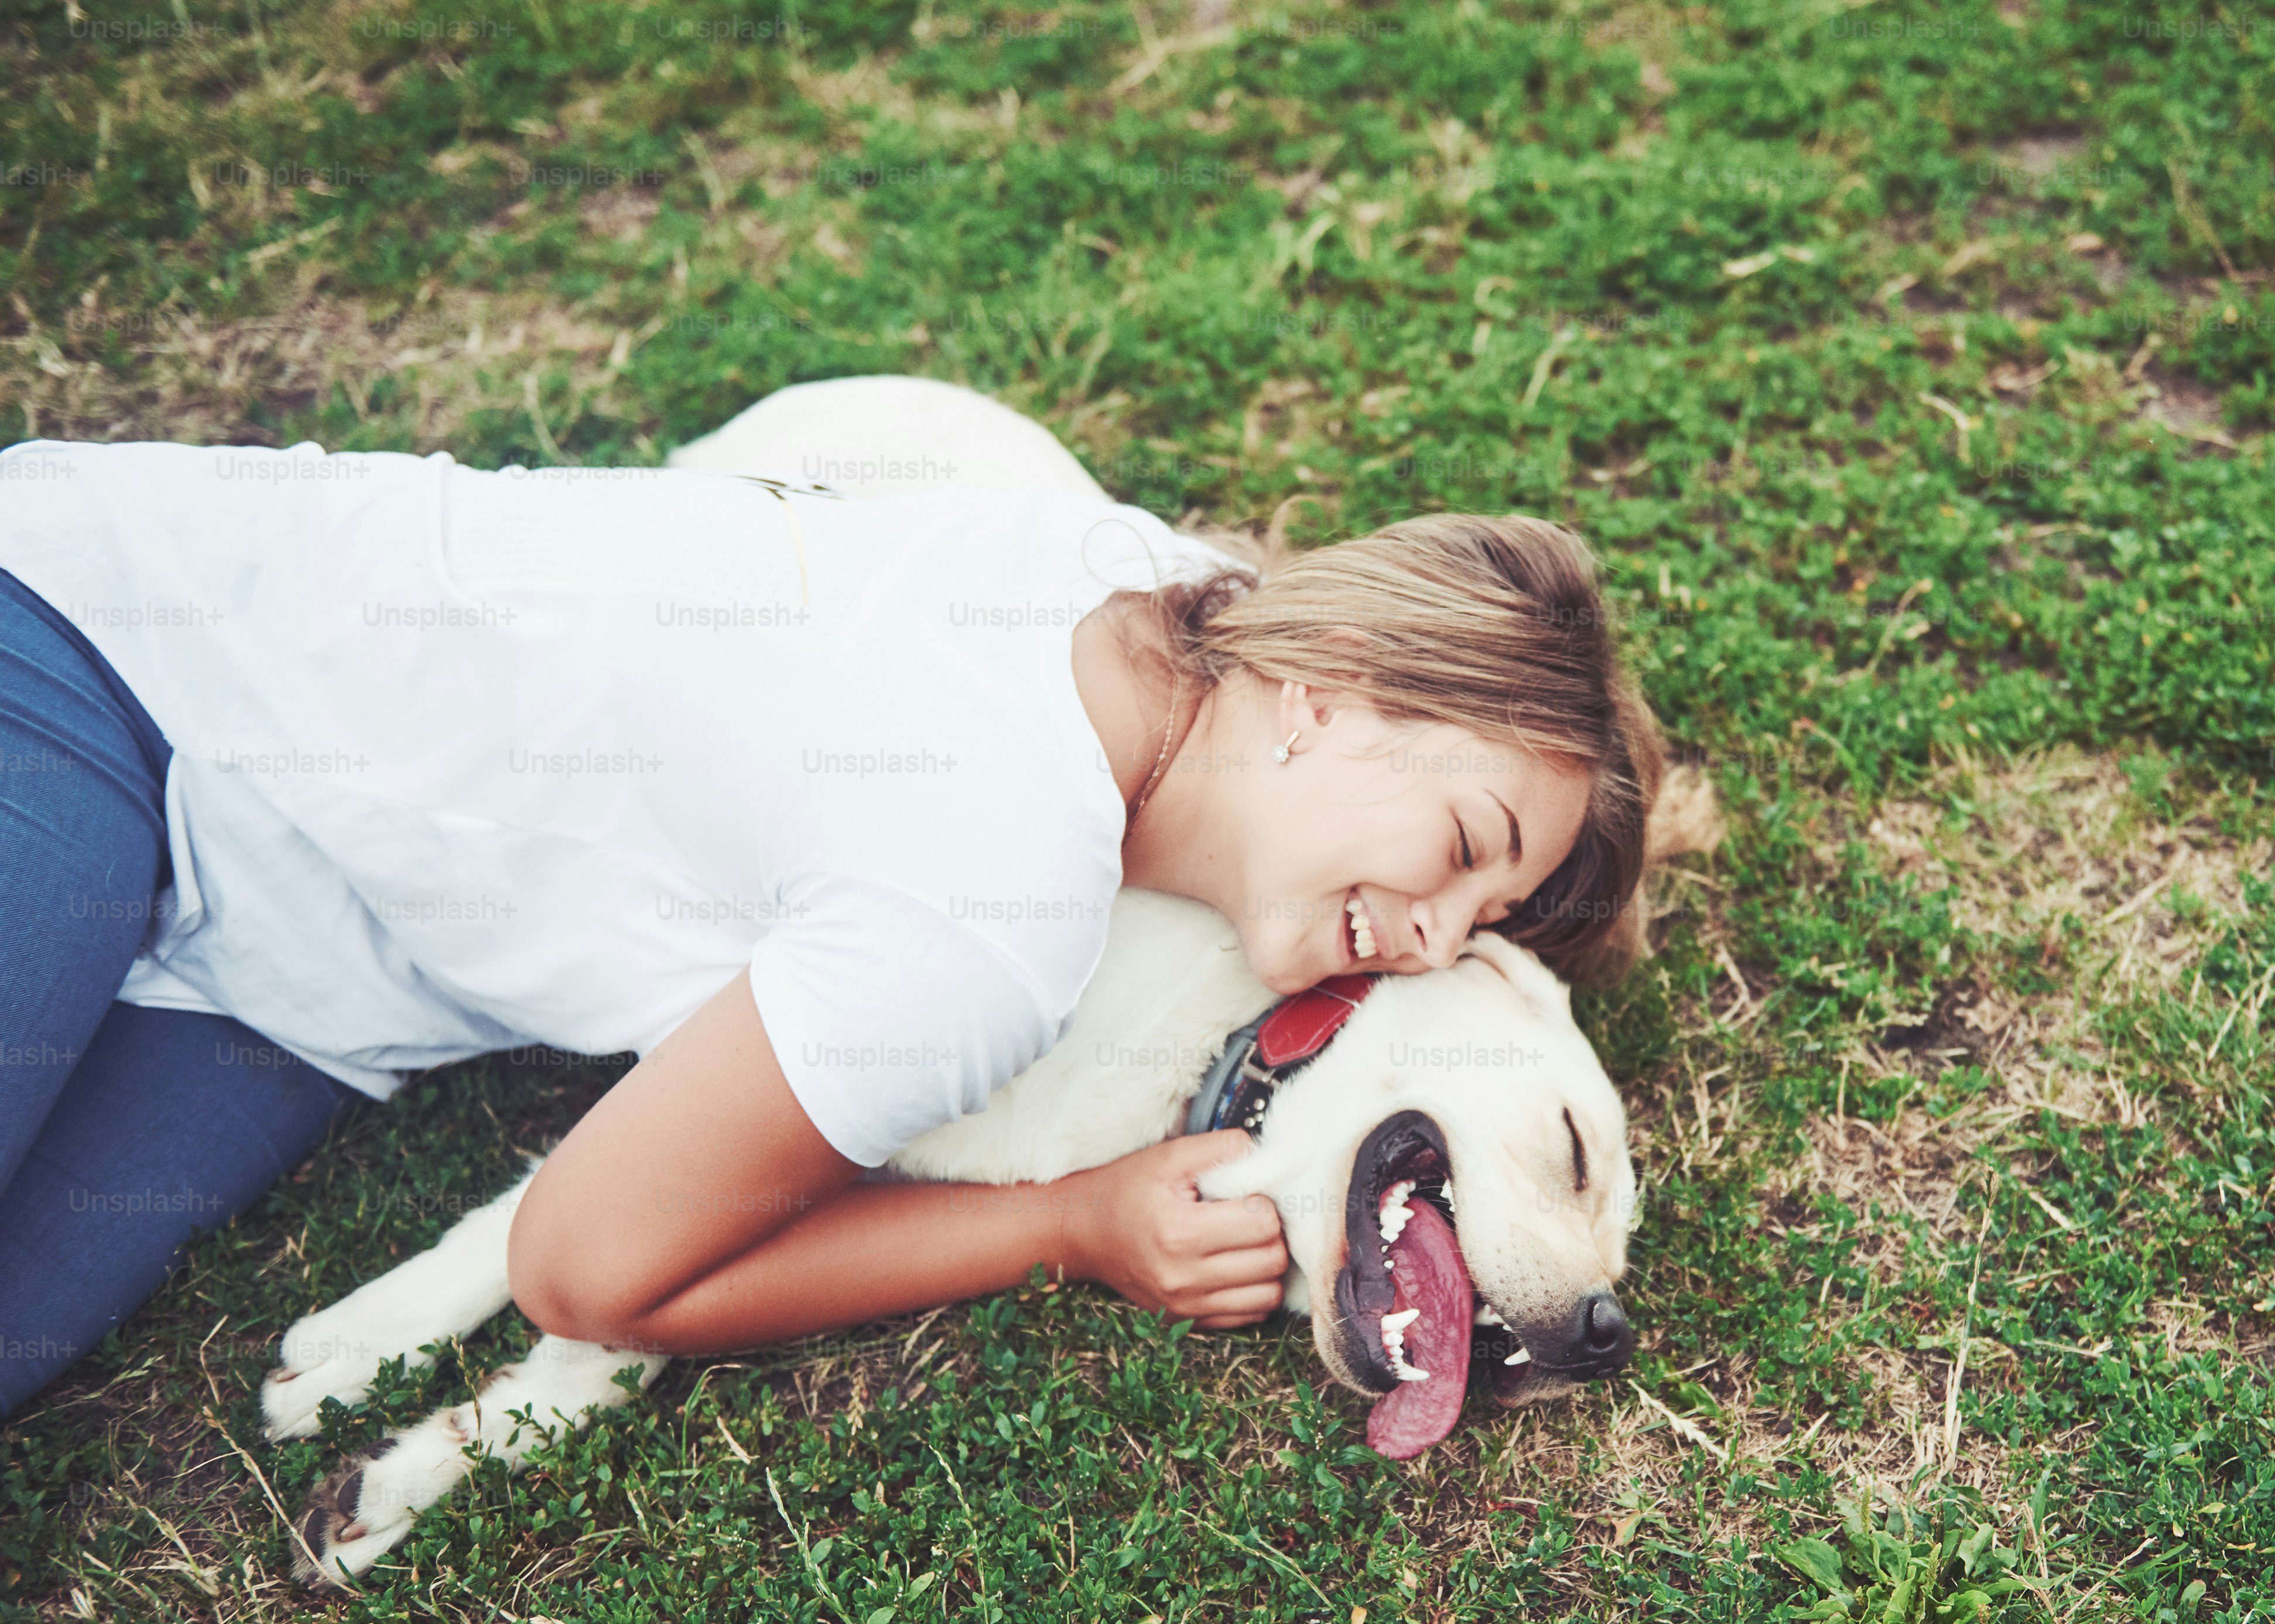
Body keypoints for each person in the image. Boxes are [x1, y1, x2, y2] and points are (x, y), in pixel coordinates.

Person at [0, 425, 1659, 1417]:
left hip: (307, 967)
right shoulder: (986, 914)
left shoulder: (1145, 575)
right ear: (1330, 694)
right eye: (1462, 846)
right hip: (103, 659)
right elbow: (584, 1270)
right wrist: (1066, 1225)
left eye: (1486, 917)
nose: (1438, 937)